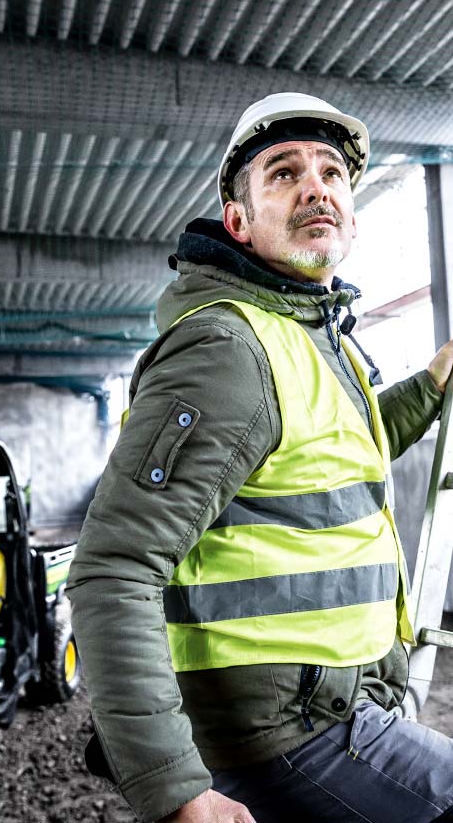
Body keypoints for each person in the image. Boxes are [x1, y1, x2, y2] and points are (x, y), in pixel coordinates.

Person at [66, 93, 453, 823]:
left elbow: (339, 456)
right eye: (283, 172)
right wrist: (173, 790)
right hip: (294, 728)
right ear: (238, 222)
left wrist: (433, 382)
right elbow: (113, 567)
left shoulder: (309, 335)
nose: (317, 185)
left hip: (331, 703)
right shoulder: (228, 347)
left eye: (333, 172)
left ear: (350, 212)